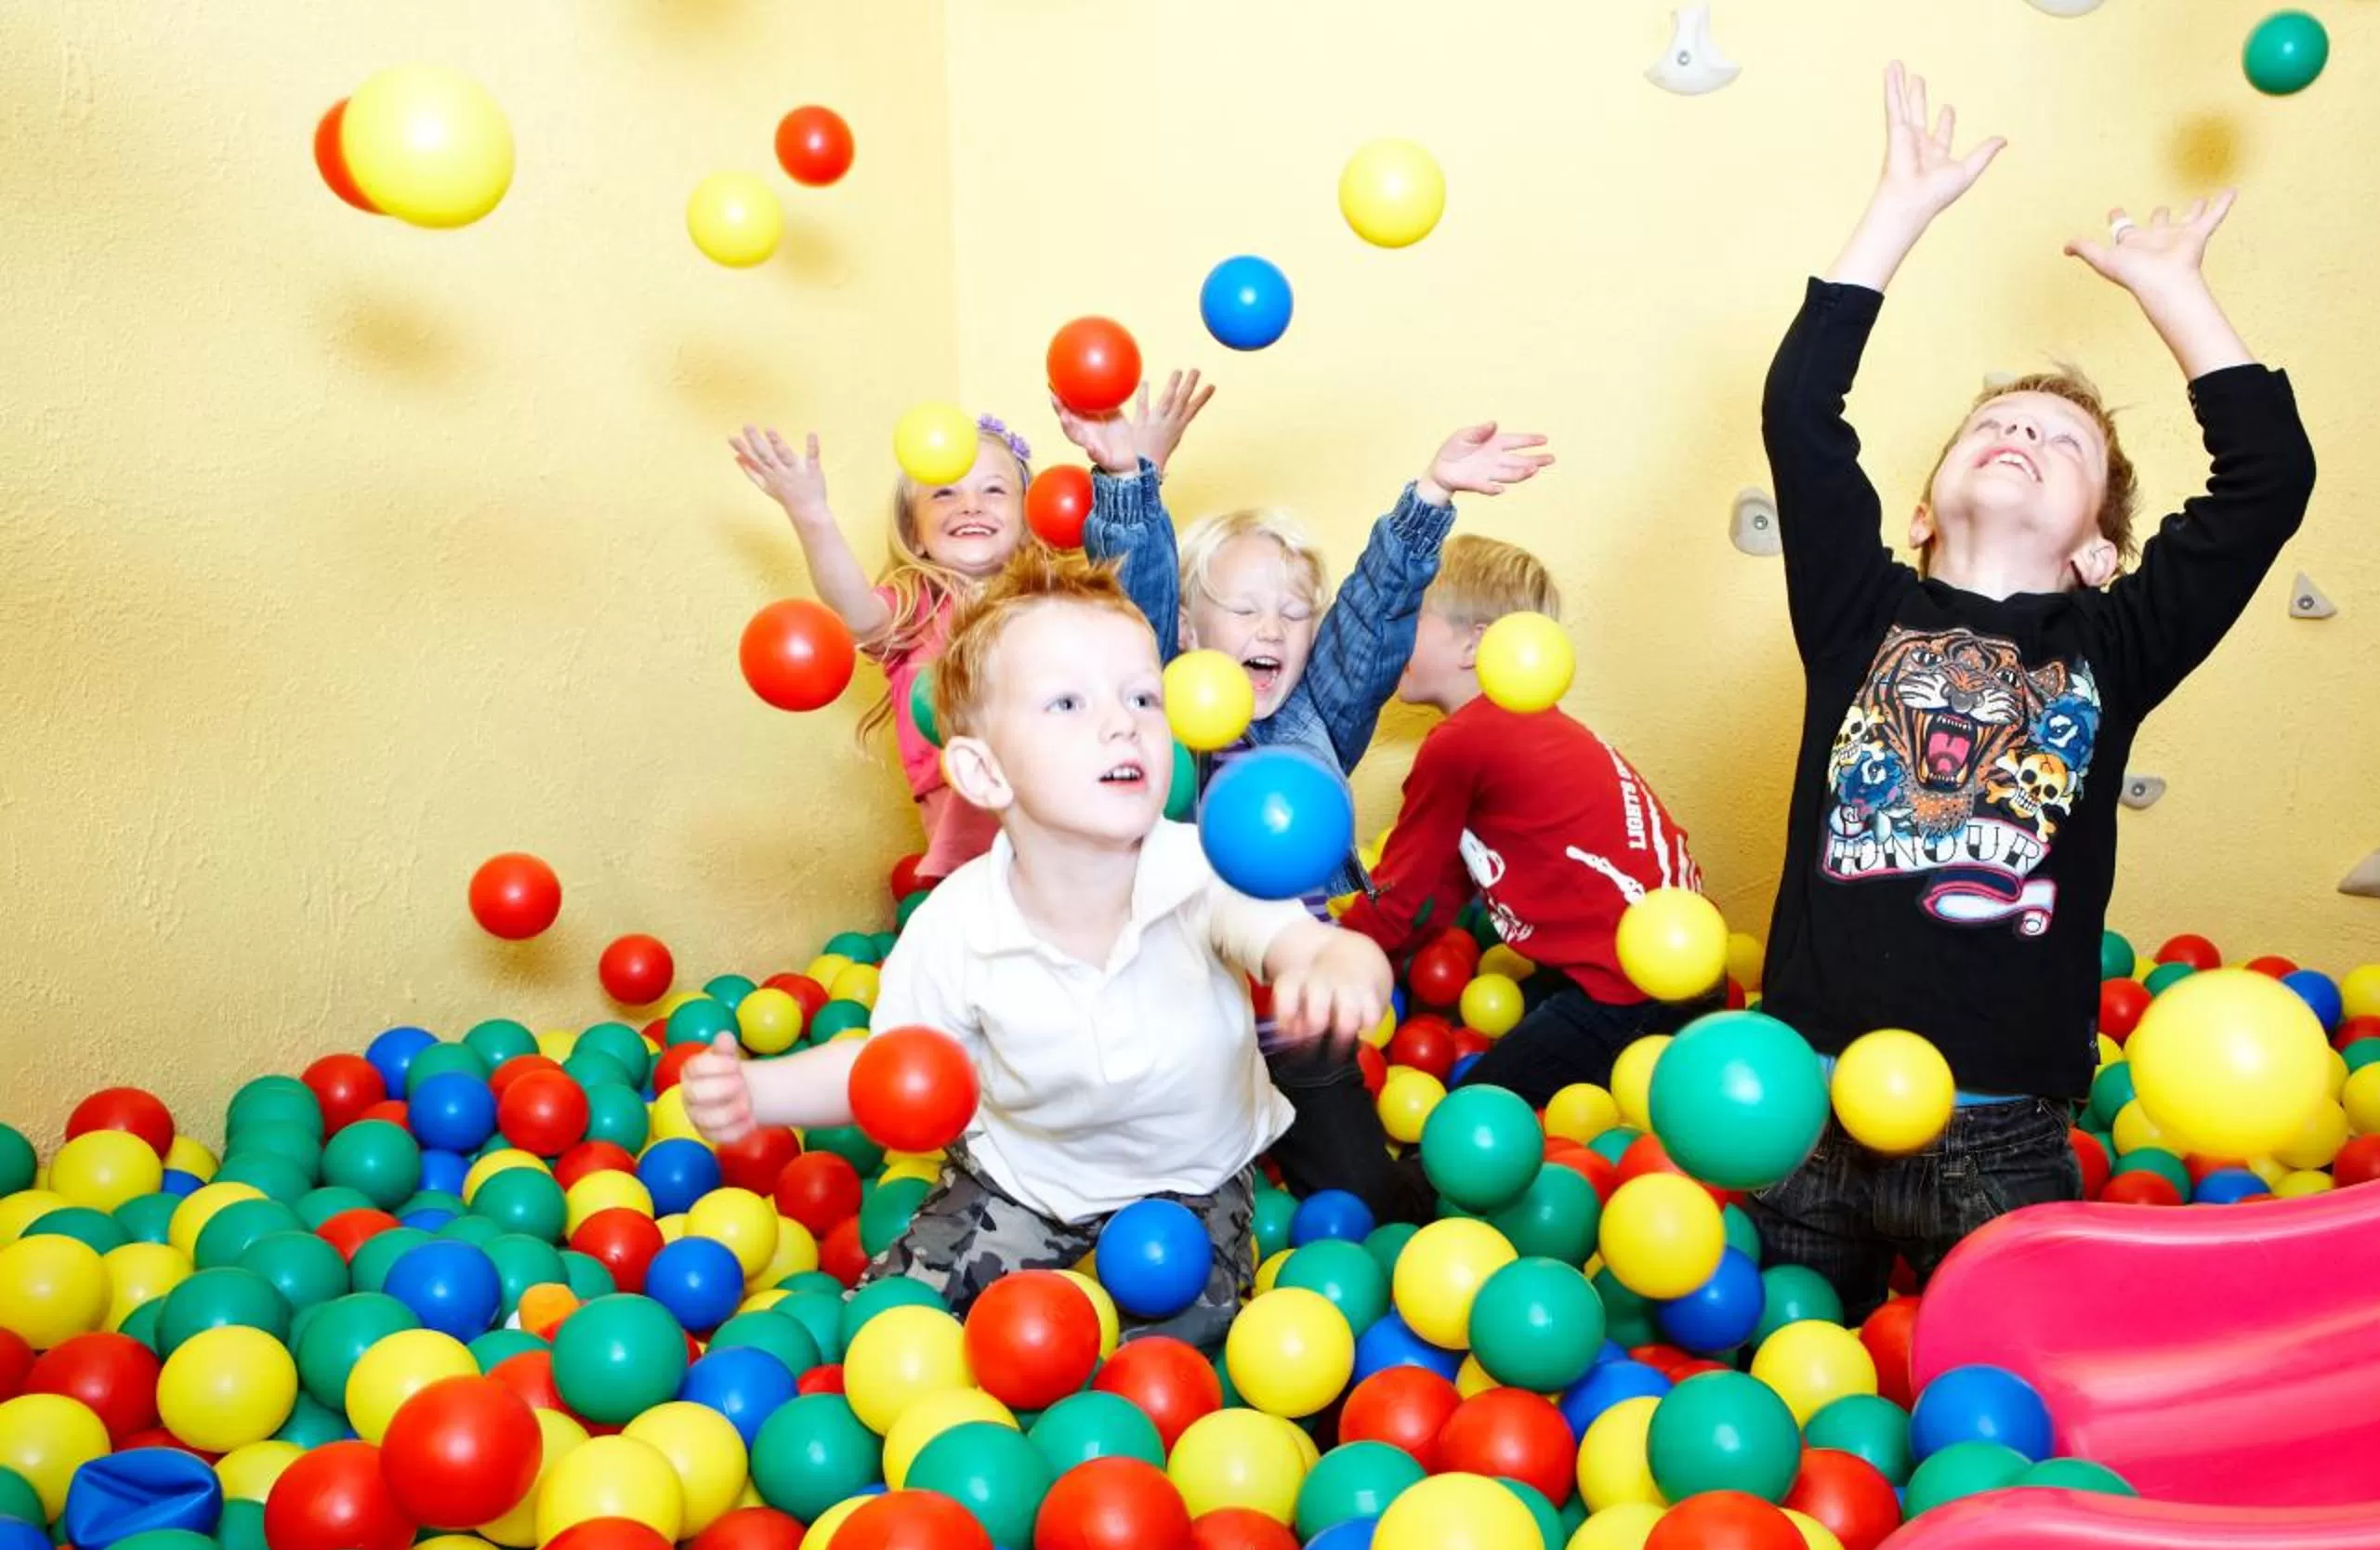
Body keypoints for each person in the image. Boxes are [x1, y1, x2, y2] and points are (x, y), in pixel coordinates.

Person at [1750, 63, 2319, 1311]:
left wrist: (2176, 296)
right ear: (1919, 507)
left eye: (2065, 444)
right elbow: (1802, 412)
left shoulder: (2113, 644)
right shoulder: (1859, 613)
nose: (2022, 436)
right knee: (1767, 1428)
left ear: (2097, 546)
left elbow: (2267, 480)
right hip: (1804, 1117)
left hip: (2000, 1141)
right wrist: (1895, 214)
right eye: (1993, 425)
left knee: (2005, 1432)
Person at [678, 551, 1394, 1346]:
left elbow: (1296, 939)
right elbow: (890, 1070)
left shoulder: (1202, 868)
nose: (1122, 722)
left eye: (1142, 697)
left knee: (1175, 1357)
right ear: (983, 773)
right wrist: (759, 1095)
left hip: (1190, 1181)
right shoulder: (956, 924)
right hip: (1023, 1177)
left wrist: (1338, 964)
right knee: (895, 1329)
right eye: (1067, 702)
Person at [1059, 377, 1551, 1215]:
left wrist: (1432, 495)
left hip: (1292, 1010)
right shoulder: (1153, 709)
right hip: (1179, 1012)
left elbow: (1370, 614)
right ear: (1185, 629)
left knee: (1368, 1199)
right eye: (1244, 608)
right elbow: (1126, 605)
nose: (1270, 629)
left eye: (1293, 614)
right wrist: (1125, 484)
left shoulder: (1316, 711)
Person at [1336, 538, 1707, 1106]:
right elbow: (1446, 880)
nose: (1394, 630)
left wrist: (1326, 953)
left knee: (1468, 1119)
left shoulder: (1461, 743)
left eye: (1414, 614)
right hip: (1673, 972)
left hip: (1622, 993)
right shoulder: (1533, 725)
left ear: (1476, 644)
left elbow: (1402, 894)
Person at [730, 414, 1039, 884]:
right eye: (944, 492)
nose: (971, 505)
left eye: (994, 490)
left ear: (1029, 519)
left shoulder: (1051, 603)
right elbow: (856, 613)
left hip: (1051, 801)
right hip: (967, 829)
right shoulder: (916, 606)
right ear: (915, 532)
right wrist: (811, 515)